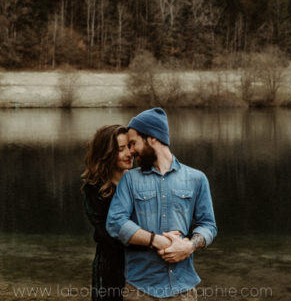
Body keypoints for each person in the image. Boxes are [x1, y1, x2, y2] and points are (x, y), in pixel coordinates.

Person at [106, 107, 217, 300]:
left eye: (133, 143)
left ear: (152, 138)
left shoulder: (197, 179)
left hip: (183, 288)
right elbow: (115, 222)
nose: (131, 151)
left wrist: (189, 246)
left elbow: (208, 225)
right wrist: (156, 240)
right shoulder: (130, 180)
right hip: (140, 289)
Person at [82, 124, 135, 301]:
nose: (129, 153)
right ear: (107, 154)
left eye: (130, 146)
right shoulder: (94, 189)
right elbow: (110, 234)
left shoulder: (139, 182)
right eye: (121, 149)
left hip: (141, 265)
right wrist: (152, 242)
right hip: (111, 266)